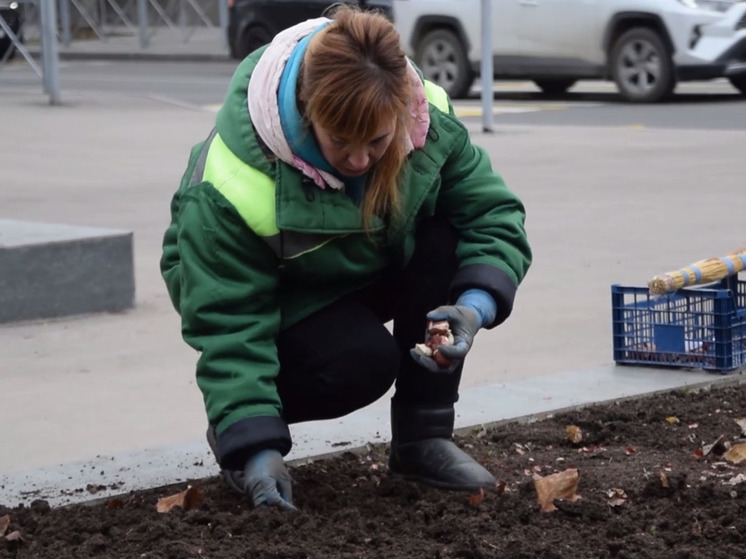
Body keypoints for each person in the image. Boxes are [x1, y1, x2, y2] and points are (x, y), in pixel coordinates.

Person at [160, 5, 531, 511]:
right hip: (279, 295)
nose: (359, 161)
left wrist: (474, 306)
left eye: (377, 141)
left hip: (358, 259)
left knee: (444, 237)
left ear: (401, 107)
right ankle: (240, 426)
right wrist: (252, 445)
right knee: (362, 363)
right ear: (307, 108)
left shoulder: (426, 120)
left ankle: (423, 439)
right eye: (339, 142)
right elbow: (229, 317)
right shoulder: (228, 184)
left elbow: (492, 215)